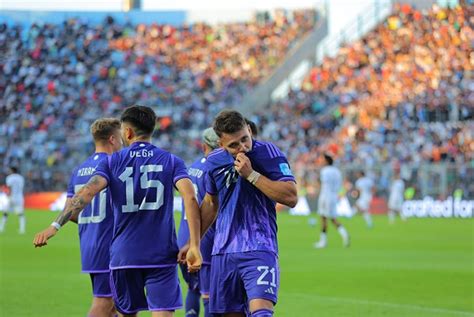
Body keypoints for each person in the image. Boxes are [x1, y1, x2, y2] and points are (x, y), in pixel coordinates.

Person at [34, 105, 202, 317]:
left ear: (128, 132)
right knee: (162, 313)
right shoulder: (171, 161)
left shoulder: (113, 161)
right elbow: (190, 197)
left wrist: (55, 225)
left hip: (124, 256)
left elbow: (86, 192)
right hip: (161, 254)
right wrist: (194, 244)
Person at [181, 109, 297, 317]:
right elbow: (210, 204)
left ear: (249, 130)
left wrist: (251, 175)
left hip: (260, 246)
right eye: (234, 145)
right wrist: (194, 243)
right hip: (223, 252)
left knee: (262, 312)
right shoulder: (214, 161)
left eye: (245, 139)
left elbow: (290, 197)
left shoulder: (269, 152)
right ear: (222, 144)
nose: (242, 147)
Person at [33, 118, 122, 317]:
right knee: (105, 303)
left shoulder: (79, 170)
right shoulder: (114, 165)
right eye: (121, 138)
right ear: (113, 139)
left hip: (90, 242)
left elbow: (72, 212)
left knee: (117, 306)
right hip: (109, 244)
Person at [177, 127, 219, 317]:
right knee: (210, 295)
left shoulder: (191, 167)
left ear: (204, 146)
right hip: (204, 239)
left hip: (184, 237)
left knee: (193, 288)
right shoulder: (216, 169)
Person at [314, 154, 350, 248]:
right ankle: (344, 234)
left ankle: (323, 241)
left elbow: (322, 182)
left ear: (326, 161)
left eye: (322, 160)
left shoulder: (325, 171)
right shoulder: (337, 171)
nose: (321, 162)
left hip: (325, 196)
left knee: (324, 218)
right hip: (334, 196)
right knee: (332, 218)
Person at [0, 167, 25, 234]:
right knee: (21, 214)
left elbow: (9, 187)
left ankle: (1, 228)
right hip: (19, 197)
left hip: (11, 197)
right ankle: (22, 229)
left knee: (5, 213)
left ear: (12, 170)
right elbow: (21, 187)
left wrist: (8, 195)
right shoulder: (21, 178)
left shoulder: (9, 177)